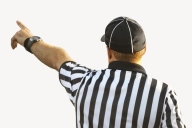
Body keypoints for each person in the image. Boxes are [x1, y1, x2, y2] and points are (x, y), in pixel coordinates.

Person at [11, 16, 186, 128]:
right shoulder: (164, 95)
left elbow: (58, 59)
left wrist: (30, 40)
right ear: (144, 50)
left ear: (108, 50)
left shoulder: (83, 82)